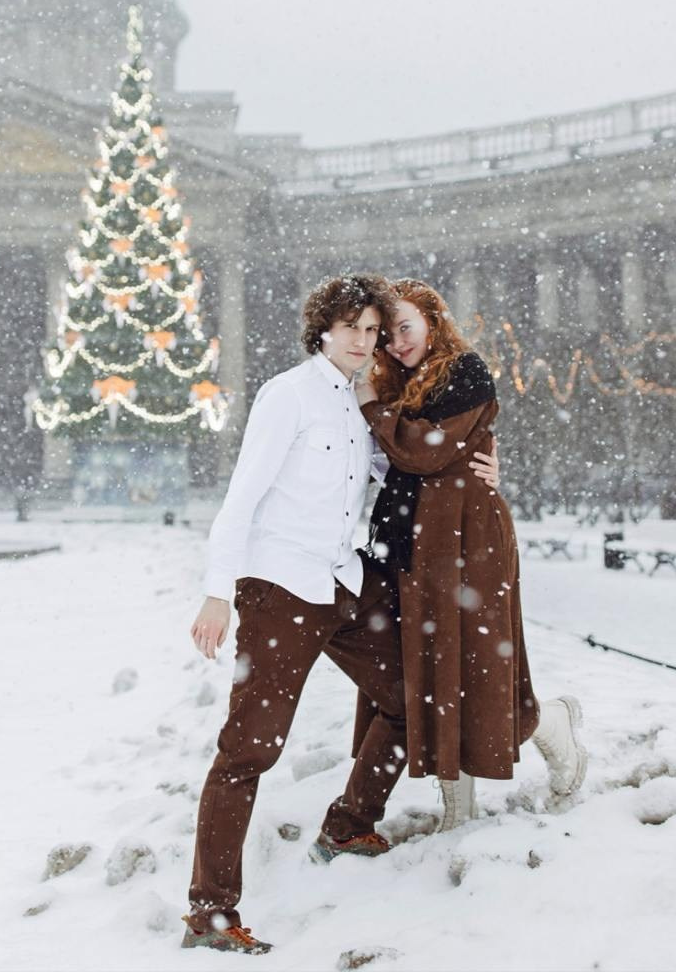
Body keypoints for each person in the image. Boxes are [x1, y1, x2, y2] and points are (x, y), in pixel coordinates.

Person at [182, 275, 500, 956]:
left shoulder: (364, 402)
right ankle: (210, 914)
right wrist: (217, 589)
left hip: (342, 581)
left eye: (372, 331)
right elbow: (241, 499)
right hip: (280, 590)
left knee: (407, 701)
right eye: (351, 328)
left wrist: (482, 471)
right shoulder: (287, 395)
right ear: (321, 331)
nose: (364, 342)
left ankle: (349, 824)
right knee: (248, 751)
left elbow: (405, 471)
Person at [353, 278, 587, 830]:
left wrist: (373, 411)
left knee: (473, 672)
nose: (395, 343)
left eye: (405, 327)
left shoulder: (464, 370)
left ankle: (549, 729)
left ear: (433, 319)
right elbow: (399, 459)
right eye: (385, 334)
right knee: (428, 672)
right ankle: (462, 805)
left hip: (466, 540)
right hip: (412, 542)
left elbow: (423, 451)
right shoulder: (395, 382)